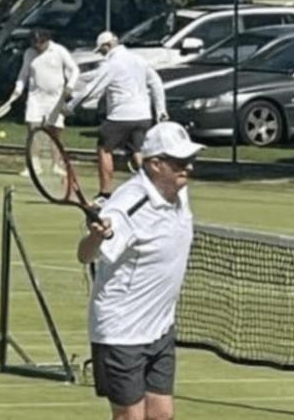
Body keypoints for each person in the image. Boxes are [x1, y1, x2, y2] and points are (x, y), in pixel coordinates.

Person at [76, 121, 204, 420]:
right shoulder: (128, 205)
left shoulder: (178, 190)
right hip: (122, 331)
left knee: (161, 415)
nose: (189, 167)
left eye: (190, 160)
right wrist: (96, 235)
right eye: (180, 162)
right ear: (155, 164)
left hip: (160, 327)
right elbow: (85, 255)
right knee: (130, 418)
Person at [65, 31, 168, 203]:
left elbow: (93, 89)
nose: (102, 54)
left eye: (102, 50)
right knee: (137, 151)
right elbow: (156, 83)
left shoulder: (112, 64)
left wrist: (70, 106)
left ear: (107, 46)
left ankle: (105, 194)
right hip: (143, 116)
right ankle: (153, 190)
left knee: (104, 149)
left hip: (120, 115)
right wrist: (160, 110)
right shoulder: (138, 60)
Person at [9, 28, 80, 176]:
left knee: (55, 133)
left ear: (47, 40)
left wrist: (70, 86)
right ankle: (34, 166)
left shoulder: (59, 50)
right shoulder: (29, 53)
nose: (37, 46)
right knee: (33, 131)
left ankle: (56, 165)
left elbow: (74, 70)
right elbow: (23, 74)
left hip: (56, 99)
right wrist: (18, 89)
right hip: (36, 98)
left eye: (40, 42)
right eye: (34, 43)